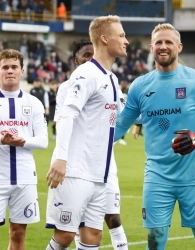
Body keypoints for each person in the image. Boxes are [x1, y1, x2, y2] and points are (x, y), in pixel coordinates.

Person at [114, 23, 195, 250]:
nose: (163, 46)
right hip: (157, 177)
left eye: (168, 42)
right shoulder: (140, 86)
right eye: (158, 42)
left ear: (179, 46)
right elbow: (120, 125)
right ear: (151, 48)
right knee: (155, 239)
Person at [45, 15, 129, 250]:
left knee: (93, 235)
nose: (126, 41)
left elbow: (123, 118)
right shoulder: (85, 74)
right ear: (104, 39)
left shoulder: (111, 78)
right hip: (75, 172)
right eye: (121, 35)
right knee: (64, 237)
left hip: (100, 175)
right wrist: (61, 158)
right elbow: (66, 115)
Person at [0, 49, 48, 250]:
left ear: (22, 71)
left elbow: (43, 141)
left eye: (14, 67)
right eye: (5, 67)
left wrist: (22, 141)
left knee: (18, 234)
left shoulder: (33, 102)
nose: (9, 70)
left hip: (25, 177)